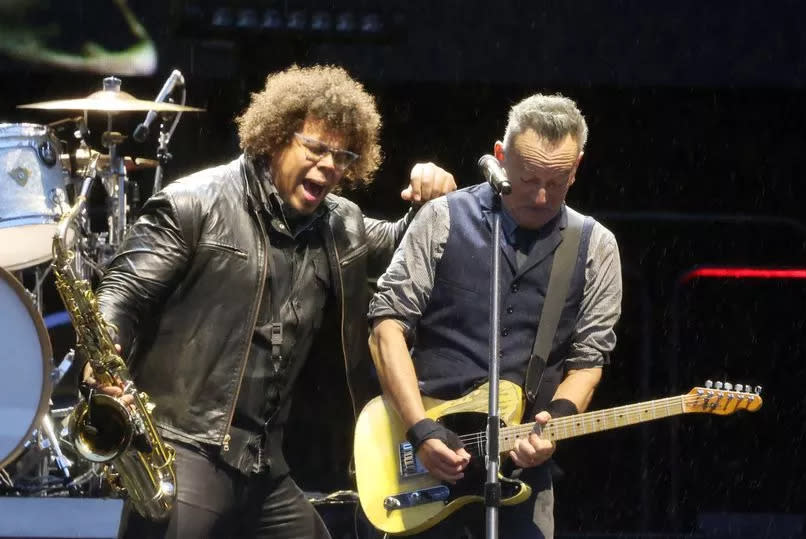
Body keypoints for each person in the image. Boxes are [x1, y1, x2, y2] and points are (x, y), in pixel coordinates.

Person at [83, 64, 456, 538]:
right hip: (185, 445)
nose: (329, 166)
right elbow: (121, 293)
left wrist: (432, 198)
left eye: (342, 156)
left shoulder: (342, 224)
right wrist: (103, 359)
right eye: (316, 148)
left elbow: (410, 247)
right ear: (276, 136)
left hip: (263, 463)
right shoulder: (195, 203)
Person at [367, 93, 622, 538]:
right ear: (501, 156)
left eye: (558, 181)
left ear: (578, 167)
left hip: (521, 478)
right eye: (528, 179)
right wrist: (420, 429)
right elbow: (386, 326)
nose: (541, 196)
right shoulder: (442, 218)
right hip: (419, 459)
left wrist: (552, 428)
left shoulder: (596, 247)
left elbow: (588, 362)